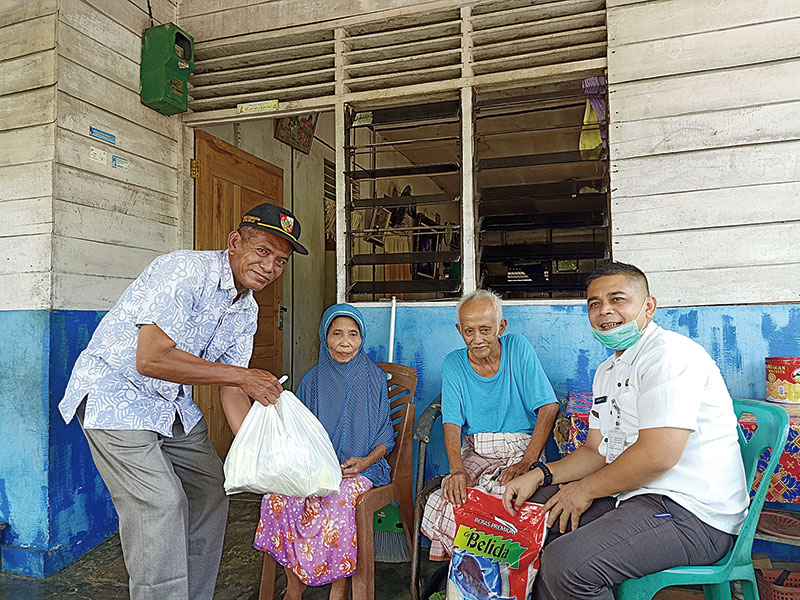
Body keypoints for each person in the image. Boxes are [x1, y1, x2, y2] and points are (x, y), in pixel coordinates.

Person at [58, 202, 308, 600]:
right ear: (234, 243)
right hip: (115, 395)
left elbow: (231, 389)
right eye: (262, 251)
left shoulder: (247, 310)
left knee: (210, 491)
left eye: (280, 261)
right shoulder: (184, 270)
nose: (270, 267)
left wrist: (261, 454)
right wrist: (243, 376)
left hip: (169, 405)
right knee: (160, 505)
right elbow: (151, 357)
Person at [502, 261, 749, 600]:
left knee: (568, 564)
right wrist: (540, 475)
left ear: (648, 307)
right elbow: (596, 451)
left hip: (693, 513)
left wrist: (584, 490)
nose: (605, 311)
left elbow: (658, 455)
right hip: (634, 496)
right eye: (594, 303)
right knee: (529, 516)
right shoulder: (608, 369)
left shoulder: (670, 356)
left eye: (617, 299)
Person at [253, 304, 394, 600]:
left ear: (362, 338)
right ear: (324, 337)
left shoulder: (375, 379)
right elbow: (297, 434)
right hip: (315, 467)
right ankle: (295, 584)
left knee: (337, 502)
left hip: (362, 470)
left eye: (353, 334)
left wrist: (365, 461)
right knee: (277, 498)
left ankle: (338, 587)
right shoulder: (312, 381)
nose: (345, 342)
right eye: (337, 334)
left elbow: (385, 437)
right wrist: (309, 466)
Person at [421, 289, 559, 561]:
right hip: (477, 451)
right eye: (469, 331)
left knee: (505, 499)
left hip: (521, 448)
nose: (477, 339)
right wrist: (457, 470)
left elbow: (549, 407)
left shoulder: (517, 348)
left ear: (501, 326)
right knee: (449, 499)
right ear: (459, 330)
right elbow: (452, 422)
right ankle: (471, 572)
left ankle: (501, 571)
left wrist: (528, 462)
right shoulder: (453, 363)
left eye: (485, 329)